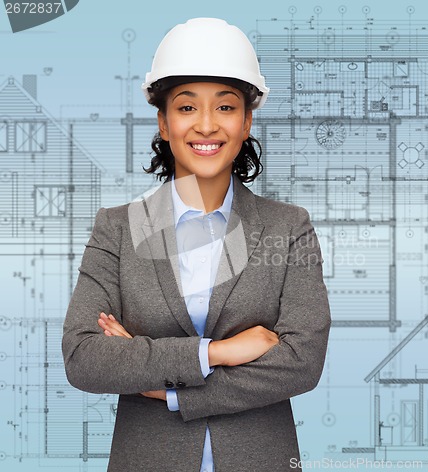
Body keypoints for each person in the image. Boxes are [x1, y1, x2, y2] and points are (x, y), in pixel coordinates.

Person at [62, 17, 331, 472]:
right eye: (186, 108)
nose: (206, 126)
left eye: (225, 107)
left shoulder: (290, 228)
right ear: (163, 123)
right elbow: (84, 357)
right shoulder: (117, 229)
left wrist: (165, 389)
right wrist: (213, 353)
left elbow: (302, 363)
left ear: (247, 121)